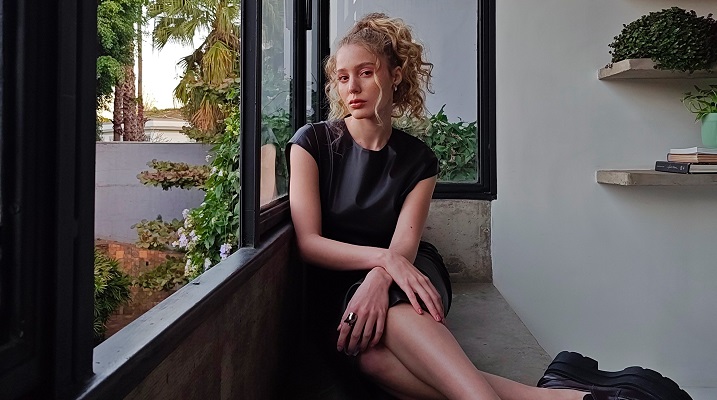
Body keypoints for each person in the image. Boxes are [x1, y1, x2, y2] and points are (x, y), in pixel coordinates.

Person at [286, 12, 691, 400]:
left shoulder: (419, 160)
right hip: (342, 282)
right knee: (373, 362)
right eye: (342, 77)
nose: (352, 87)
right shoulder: (313, 143)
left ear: (395, 75)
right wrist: (383, 261)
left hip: (409, 270)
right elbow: (309, 243)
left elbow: (403, 250)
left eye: (365, 72)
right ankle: (576, 398)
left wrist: (384, 272)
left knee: (392, 316)